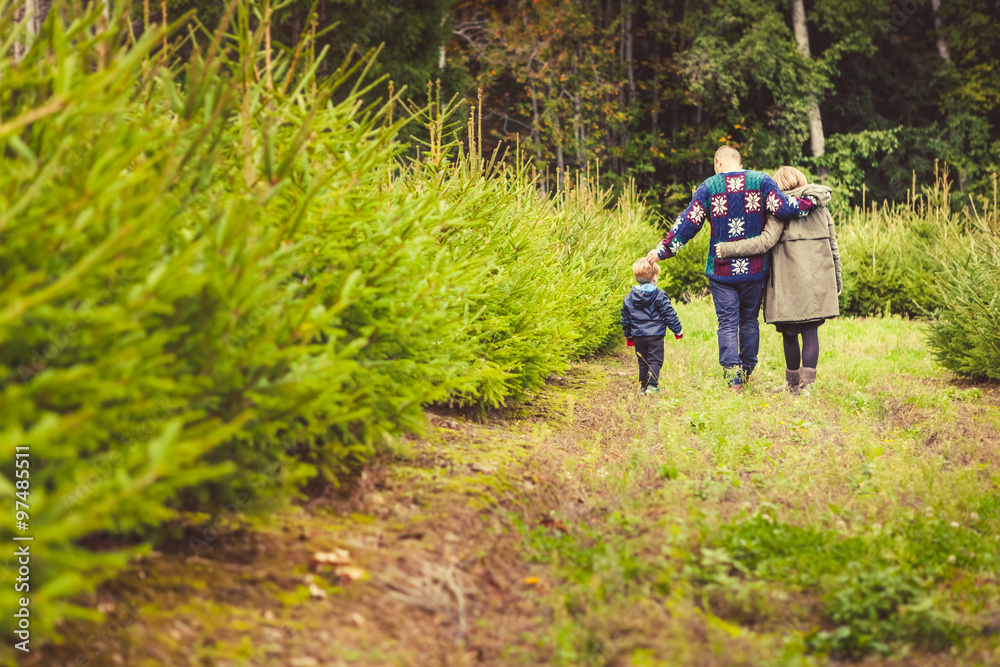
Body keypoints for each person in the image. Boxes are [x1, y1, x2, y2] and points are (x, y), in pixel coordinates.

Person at [646, 146, 817, 391]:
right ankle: (746, 370)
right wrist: (810, 202)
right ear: (739, 161)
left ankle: (733, 380)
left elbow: (688, 222)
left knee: (727, 323)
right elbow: (783, 208)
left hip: (721, 271)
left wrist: (663, 250)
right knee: (748, 322)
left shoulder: (709, 187)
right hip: (754, 270)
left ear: (718, 162)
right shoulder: (761, 181)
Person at [714, 166, 840, 394]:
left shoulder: (779, 212)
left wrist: (728, 249)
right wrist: (837, 282)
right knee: (811, 332)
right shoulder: (822, 209)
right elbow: (833, 247)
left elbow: (763, 242)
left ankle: (792, 385)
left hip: (787, 285)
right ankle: (807, 388)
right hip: (817, 283)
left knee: (790, 334)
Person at [621, 257, 683, 395]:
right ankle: (652, 386)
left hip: (638, 335)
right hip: (655, 335)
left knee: (643, 361)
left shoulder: (629, 297)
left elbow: (625, 318)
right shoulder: (659, 295)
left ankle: (643, 387)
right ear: (654, 277)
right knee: (655, 360)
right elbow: (669, 314)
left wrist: (628, 334)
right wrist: (678, 330)